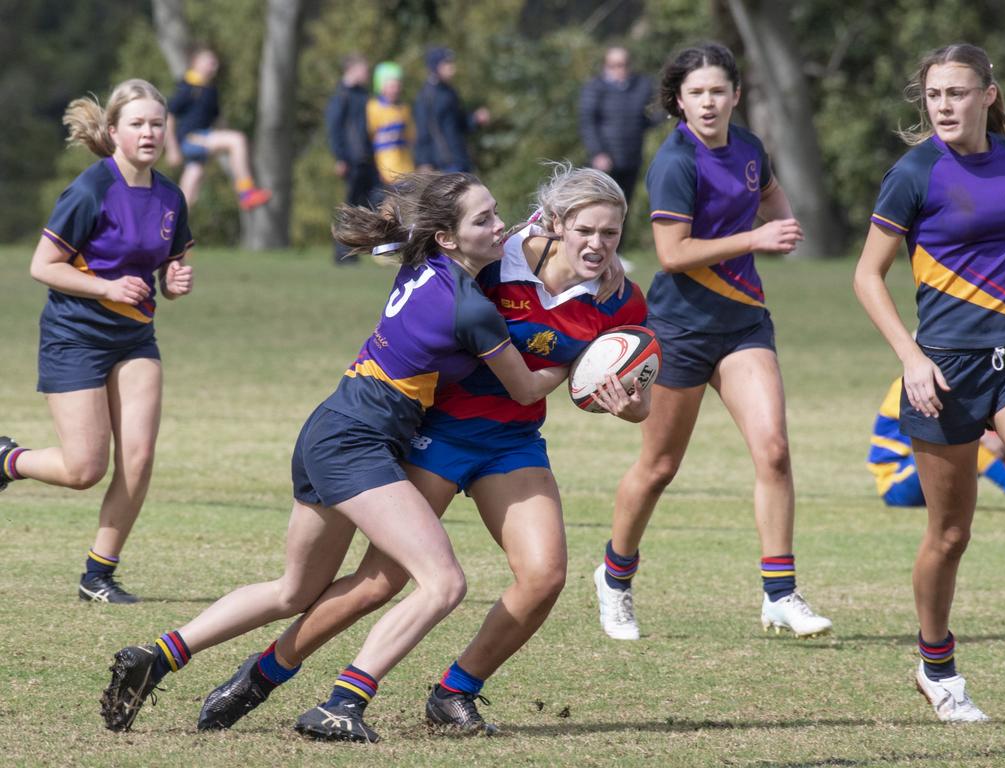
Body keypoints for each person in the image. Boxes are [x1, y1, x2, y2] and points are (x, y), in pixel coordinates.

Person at [99, 171, 569, 740]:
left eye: (498, 213)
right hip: (357, 444)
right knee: (442, 583)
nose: (499, 226)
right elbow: (524, 389)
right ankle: (342, 704)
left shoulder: (425, 264)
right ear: (446, 236)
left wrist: (529, 231)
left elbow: (501, 239)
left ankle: (159, 655)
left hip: (329, 427)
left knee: (293, 591)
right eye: (484, 219)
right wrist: (583, 357)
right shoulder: (471, 308)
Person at [185, 164, 645, 737]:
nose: (598, 246)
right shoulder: (497, 257)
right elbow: (428, 262)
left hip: (511, 443)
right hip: (437, 432)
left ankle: (455, 692)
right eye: (586, 232)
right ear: (553, 222)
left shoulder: (619, 302)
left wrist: (625, 404)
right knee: (381, 581)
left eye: (611, 234)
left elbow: (639, 393)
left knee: (545, 574)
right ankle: (264, 673)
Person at [593, 42, 833, 643]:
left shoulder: (750, 147)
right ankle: (614, 577)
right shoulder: (675, 162)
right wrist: (756, 239)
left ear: (735, 95)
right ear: (679, 100)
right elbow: (672, 255)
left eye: (718, 91)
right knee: (659, 467)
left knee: (774, 451)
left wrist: (779, 223)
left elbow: (773, 195)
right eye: (696, 92)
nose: (708, 101)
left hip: (745, 322)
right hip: (679, 330)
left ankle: (780, 593)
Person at [853, 42, 1005, 723]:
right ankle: (937, 667)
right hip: (944, 371)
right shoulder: (915, 172)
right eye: (934, 95)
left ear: (988, 94)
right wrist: (910, 358)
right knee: (949, 537)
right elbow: (867, 276)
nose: (944, 105)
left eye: (957, 92)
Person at [0, 80, 194, 604]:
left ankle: (98, 575)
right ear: (114, 132)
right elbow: (42, 266)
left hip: (134, 338)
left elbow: (166, 270)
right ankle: (6, 461)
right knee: (84, 469)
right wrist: (106, 286)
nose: (149, 132)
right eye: (137, 124)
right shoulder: (91, 189)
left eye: (157, 123)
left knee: (139, 457)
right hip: (75, 338)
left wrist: (173, 284)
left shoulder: (171, 196)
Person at [869, 376, 1005, 508]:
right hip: (897, 482)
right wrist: (987, 440)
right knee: (960, 444)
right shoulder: (910, 383)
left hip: (929, 481)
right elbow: (942, 427)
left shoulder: (953, 384)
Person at [164, 46, 271, 211]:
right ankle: (246, 192)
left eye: (215, 63)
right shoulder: (187, 88)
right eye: (209, 61)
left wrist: (230, 142)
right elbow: (168, 116)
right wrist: (172, 149)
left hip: (203, 139)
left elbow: (218, 121)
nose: (214, 66)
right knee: (237, 140)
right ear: (195, 62)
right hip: (190, 139)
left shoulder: (211, 91)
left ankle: (170, 223)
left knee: (193, 180)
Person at [578, 46, 657, 242]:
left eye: (623, 65)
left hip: (631, 157)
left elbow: (650, 116)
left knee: (623, 206)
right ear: (606, 66)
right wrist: (597, 153)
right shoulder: (595, 88)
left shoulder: (641, 86)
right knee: (600, 205)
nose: (619, 69)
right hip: (604, 159)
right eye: (614, 65)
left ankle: (617, 250)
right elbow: (588, 122)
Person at [325, 53, 378, 264]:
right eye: (365, 70)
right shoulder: (341, 96)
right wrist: (340, 157)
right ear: (353, 69)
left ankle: (355, 251)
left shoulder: (364, 95)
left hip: (367, 160)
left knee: (365, 206)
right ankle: (342, 253)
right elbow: (334, 129)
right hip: (351, 160)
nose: (367, 74)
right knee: (349, 208)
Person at [413, 46, 490, 173]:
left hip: (460, 159)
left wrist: (475, 119)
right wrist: (424, 162)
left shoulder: (449, 91)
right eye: (447, 63)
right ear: (435, 67)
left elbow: (458, 124)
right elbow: (423, 133)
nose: (452, 67)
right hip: (443, 165)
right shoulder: (426, 97)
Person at [366, 62, 415, 191]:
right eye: (391, 85)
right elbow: (369, 138)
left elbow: (411, 137)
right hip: (385, 171)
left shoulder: (404, 108)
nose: (396, 89)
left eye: (398, 85)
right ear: (381, 86)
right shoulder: (373, 108)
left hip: (406, 169)